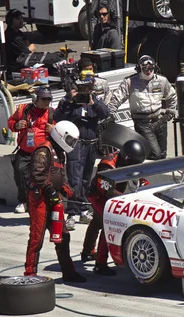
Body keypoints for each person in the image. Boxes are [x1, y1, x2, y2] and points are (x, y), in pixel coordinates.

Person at [24, 120, 86, 283]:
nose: (71, 144)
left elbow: (61, 175)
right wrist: (51, 191)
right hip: (40, 199)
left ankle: (69, 271)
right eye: (70, 140)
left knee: (63, 236)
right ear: (61, 136)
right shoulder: (44, 150)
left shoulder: (60, 152)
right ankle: (30, 273)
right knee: (37, 237)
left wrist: (68, 191)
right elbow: (36, 175)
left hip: (54, 200)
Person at [54, 70, 110, 230]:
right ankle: (72, 213)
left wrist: (94, 103)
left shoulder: (94, 99)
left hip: (91, 143)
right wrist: (69, 102)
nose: (84, 92)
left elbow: (106, 114)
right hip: (75, 144)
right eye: (83, 88)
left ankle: (84, 209)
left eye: (88, 88)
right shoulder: (70, 100)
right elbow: (57, 117)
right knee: (74, 179)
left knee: (86, 179)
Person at [81, 140, 146, 272]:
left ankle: (87, 251)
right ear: (127, 158)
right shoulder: (107, 165)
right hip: (98, 195)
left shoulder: (129, 160)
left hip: (114, 193)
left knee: (96, 222)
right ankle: (100, 264)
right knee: (108, 224)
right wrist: (125, 198)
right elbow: (106, 189)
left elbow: (141, 176)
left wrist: (145, 185)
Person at [109, 55, 177, 160]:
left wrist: (170, 112)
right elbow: (117, 98)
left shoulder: (162, 81)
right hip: (142, 124)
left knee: (163, 155)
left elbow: (172, 95)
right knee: (156, 154)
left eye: (151, 68)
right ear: (139, 68)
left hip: (160, 120)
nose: (148, 71)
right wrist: (110, 113)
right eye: (145, 68)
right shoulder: (130, 82)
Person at [7, 86, 54, 213]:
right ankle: (23, 201)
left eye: (49, 99)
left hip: (42, 153)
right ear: (36, 99)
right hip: (24, 151)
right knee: (20, 173)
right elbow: (11, 122)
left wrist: (53, 130)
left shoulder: (51, 113)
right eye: (44, 99)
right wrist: (16, 125)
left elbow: (60, 132)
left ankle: (41, 202)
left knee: (41, 177)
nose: (46, 101)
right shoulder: (23, 110)